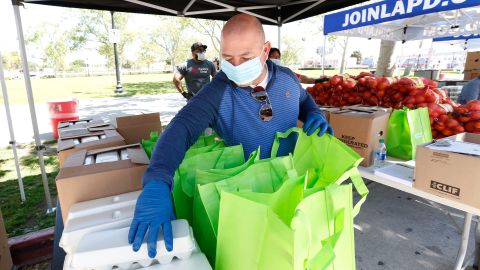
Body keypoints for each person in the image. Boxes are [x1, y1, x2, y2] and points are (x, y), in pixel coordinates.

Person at [128, 14, 333, 258]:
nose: (236, 66)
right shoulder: (218, 91)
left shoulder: (286, 77)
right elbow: (180, 128)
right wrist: (157, 180)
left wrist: (314, 113)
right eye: (228, 59)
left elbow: (302, 99)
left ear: (265, 50)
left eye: (246, 58)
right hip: (250, 201)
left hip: (297, 188)